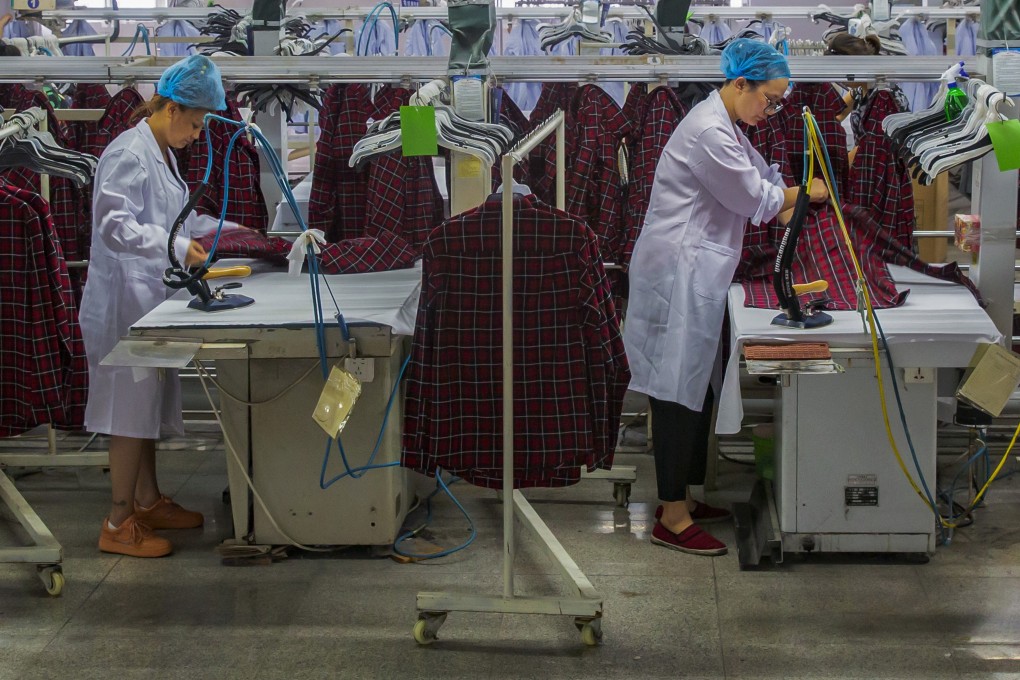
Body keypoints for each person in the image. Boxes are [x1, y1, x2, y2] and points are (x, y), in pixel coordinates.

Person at [624, 39, 829, 557]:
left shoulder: (729, 126)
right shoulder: (709, 132)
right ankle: (671, 516)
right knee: (675, 389)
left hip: (698, 269)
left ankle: (685, 498)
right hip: (677, 272)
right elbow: (757, 198)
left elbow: (765, 180)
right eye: (769, 99)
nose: (770, 110)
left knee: (697, 384)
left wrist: (790, 196)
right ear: (741, 84)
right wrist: (808, 194)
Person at [80, 55, 244, 558]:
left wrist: (236, 234)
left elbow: (175, 220)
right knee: (129, 414)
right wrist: (174, 245)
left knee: (144, 408)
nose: (196, 135)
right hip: (121, 305)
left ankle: (147, 502)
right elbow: (114, 225)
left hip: (147, 300)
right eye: (194, 124)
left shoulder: (160, 153)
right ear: (171, 109)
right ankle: (117, 523)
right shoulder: (128, 153)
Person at [825, 31, 882, 164]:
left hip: (875, 166)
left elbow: (868, 145)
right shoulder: (859, 90)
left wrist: (839, 167)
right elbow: (837, 114)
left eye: (842, 71)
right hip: (862, 165)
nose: (841, 78)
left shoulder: (881, 96)